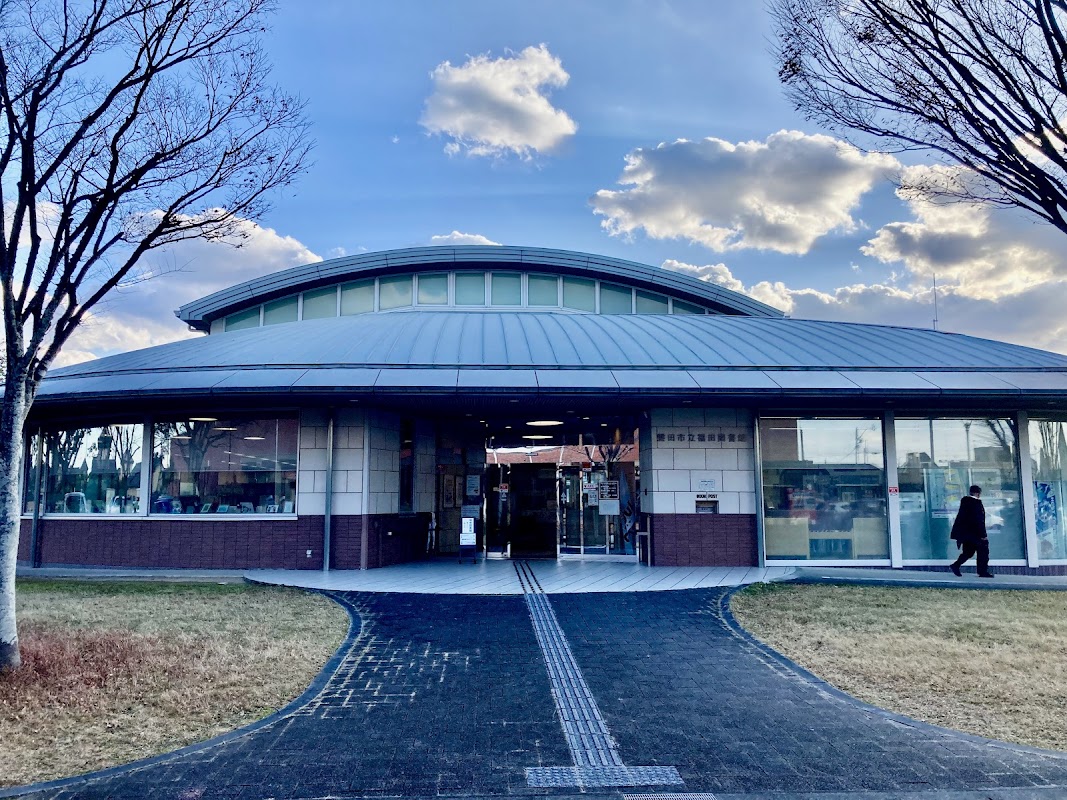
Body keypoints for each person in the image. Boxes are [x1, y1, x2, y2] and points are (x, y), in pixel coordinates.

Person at [949, 485, 994, 578]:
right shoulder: (976, 503)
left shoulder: (965, 502)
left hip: (966, 534)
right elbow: (979, 520)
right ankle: (982, 571)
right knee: (983, 552)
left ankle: (956, 565)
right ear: (978, 493)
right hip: (976, 534)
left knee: (968, 552)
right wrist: (983, 535)